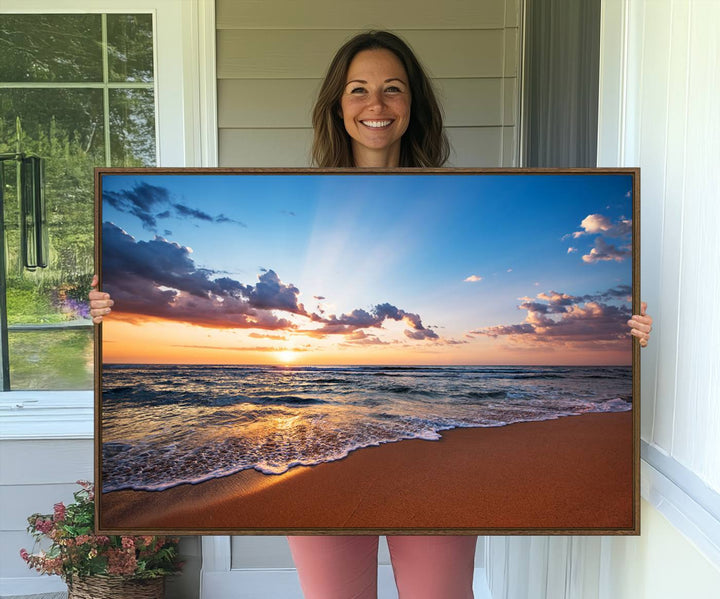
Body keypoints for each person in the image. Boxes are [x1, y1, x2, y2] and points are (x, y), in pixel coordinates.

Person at [89, 30, 653, 599]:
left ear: (413, 105)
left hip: (434, 459)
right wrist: (110, 305)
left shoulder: (457, 195)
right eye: (358, 90)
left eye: (393, 89)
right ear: (338, 104)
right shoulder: (301, 202)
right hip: (317, 441)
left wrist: (626, 328)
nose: (376, 105)